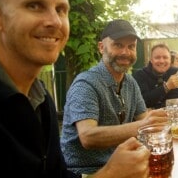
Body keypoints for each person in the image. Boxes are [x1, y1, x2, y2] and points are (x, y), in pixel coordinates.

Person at [0, 0, 150, 178]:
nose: (55, 21)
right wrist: (110, 174)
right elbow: (87, 137)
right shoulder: (85, 83)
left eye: (61, 10)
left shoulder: (40, 98)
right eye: (34, 5)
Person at [61, 20, 168, 176]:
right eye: (118, 45)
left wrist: (169, 127)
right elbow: (87, 137)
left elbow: (146, 124)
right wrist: (142, 126)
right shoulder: (85, 84)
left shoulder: (130, 82)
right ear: (101, 47)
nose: (125, 52)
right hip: (86, 172)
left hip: (124, 166)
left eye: (131, 46)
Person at [133, 43, 178, 109]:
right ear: (151, 60)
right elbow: (143, 101)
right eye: (157, 57)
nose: (161, 61)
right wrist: (166, 87)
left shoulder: (174, 72)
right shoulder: (140, 75)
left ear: (170, 60)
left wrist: (156, 103)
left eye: (165, 57)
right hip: (150, 118)